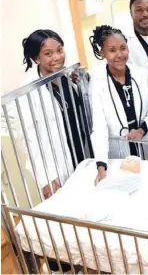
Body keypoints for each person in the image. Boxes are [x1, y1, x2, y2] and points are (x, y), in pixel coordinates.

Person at [2, 29, 91, 200]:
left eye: (59, 50)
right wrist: (45, 179)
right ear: (37, 58)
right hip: (58, 168)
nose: (57, 57)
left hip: (83, 156)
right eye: (48, 54)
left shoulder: (67, 78)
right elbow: (28, 141)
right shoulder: (28, 92)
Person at [88, 25, 148, 185]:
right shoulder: (98, 83)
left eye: (123, 48)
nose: (119, 55)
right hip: (118, 153)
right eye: (112, 50)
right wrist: (101, 166)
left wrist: (142, 129)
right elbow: (99, 127)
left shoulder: (142, 75)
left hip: (145, 146)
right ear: (102, 53)